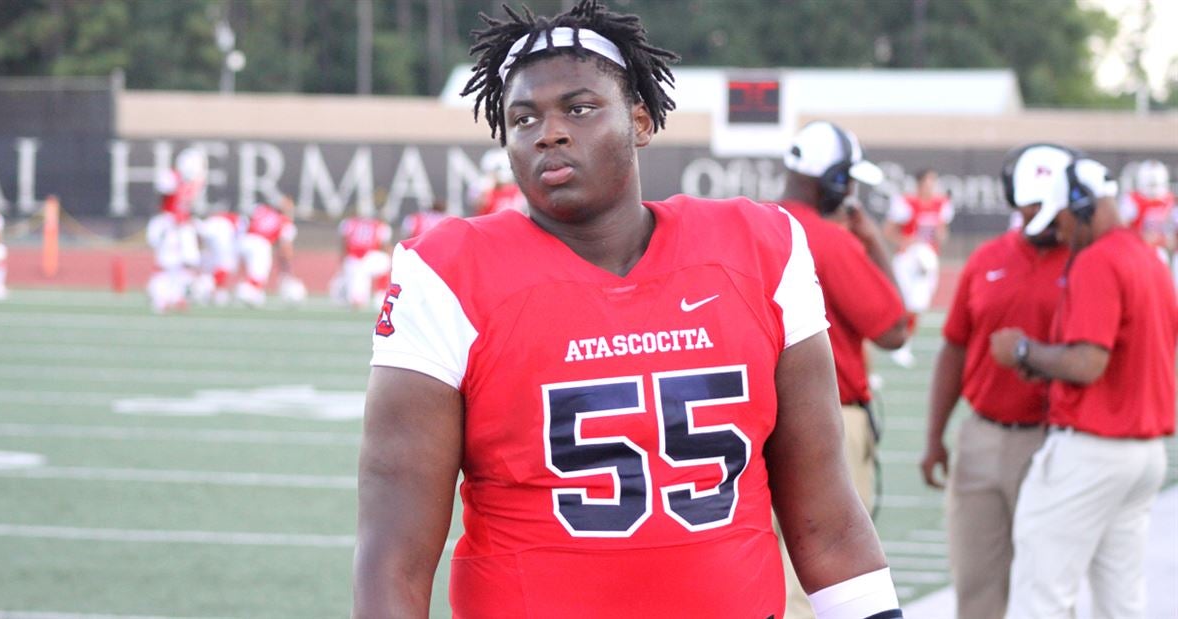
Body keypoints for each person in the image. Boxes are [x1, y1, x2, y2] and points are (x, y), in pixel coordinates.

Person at [352, 2, 903, 618]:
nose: (549, 132)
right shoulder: (447, 276)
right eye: (523, 117)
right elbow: (393, 557)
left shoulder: (759, 250)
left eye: (579, 108)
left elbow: (827, 520)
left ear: (640, 120)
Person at [988, 146, 1177, 619]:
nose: (1059, 234)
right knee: (1122, 602)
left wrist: (1024, 351)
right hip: (1145, 453)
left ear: (1082, 205)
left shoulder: (1098, 259)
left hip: (1093, 449)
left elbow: (1089, 363)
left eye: (1061, 220)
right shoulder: (1150, 259)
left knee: (1041, 594)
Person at [919, 144, 1071, 619]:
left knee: (1048, 590)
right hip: (982, 436)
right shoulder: (986, 259)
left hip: (1054, 441)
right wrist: (934, 436)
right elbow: (954, 348)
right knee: (977, 589)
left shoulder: (1085, 261)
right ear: (1013, 198)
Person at [776, 120, 910, 619]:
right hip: (825, 417)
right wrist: (873, 244)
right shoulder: (827, 241)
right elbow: (893, 327)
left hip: (755, 418)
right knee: (827, 573)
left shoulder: (752, 225)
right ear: (834, 181)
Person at [884, 168, 954, 367]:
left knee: (919, 304)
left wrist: (940, 236)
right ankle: (899, 342)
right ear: (919, 184)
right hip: (908, 258)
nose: (931, 187)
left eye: (934, 182)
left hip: (928, 258)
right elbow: (889, 230)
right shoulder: (907, 203)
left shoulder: (942, 204)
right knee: (904, 302)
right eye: (928, 182)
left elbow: (942, 233)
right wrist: (905, 241)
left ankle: (905, 342)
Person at [146, 150, 204, 313]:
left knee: (189, 260)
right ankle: (159, 296)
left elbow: (187, 205)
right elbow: (163, 195)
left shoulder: (194, 181)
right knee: (167, 261)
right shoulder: (171, 177)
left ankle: (178, 295)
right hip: (169, 223)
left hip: (183, 224)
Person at [237, 196, 299, 307]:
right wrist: (287, 268)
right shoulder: (285, 222)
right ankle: (246, 291)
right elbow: (285, 248)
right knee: (259, 274)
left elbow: (244, 220)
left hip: (244, 240)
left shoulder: (261, 209)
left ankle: (254, 292)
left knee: (250, 270)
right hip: (261, 243)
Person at [1119, 159, 1175, 269]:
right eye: (1150, 185)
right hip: (1138, 250)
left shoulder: (1170, 201)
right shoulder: (1132, 200)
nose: (1153, 190)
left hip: (1163, 251)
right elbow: (1123, 228)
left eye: (1156, 185)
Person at [333, 210, 392, 309]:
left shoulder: (348, 223)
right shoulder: (379, 225)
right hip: (363, 261)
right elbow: (386, 247)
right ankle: (381, 293)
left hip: (353, 262)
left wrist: (342, 262)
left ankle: (379, 293)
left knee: (357, 299)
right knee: (387, 260)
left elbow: (344, 245)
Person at [192, 209, 244, 306]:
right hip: (221, 244)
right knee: (224, 267)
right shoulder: (230, 220)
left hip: (211, 245)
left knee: (215, 269)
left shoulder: (214, 221)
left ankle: (215, 291)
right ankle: (201, 287)